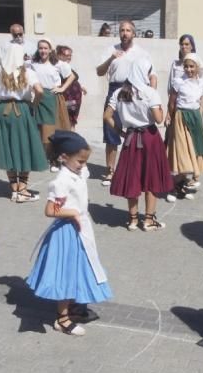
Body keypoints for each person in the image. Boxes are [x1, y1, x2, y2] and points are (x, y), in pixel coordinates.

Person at [26, 130, 112, 336]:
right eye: (79, 161)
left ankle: (73, 304)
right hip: (66, 231)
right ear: (64, 157)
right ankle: (62, 318)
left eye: (84, 161)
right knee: (66, 272)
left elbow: (83, 174)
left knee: (80, 267)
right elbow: (50, 210)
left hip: (80, 228)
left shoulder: (79, 172)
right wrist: (71, 212)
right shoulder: (61, 181)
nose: (83, 165)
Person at [0, 43, 47, 204]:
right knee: (25, 146)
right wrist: (34, 104)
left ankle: (14, 188)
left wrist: (0, 94)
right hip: (22, 110)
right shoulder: (28, 73)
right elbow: (40, 91)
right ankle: (22, 190)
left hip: (3, 111)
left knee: (7, 147)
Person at [105, 79, 173, 231]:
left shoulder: (119, 91)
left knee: (132, 177)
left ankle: (133, 220)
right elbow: (158, 119)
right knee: (152, 177)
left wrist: (120, 131)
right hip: (150, 136)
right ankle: (149, 220)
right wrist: (161, 109)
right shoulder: (149, 92)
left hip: (130, 138)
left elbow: (107, 116)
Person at [96, 20, 157, 186]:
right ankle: (110, 170)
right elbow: (99, 72)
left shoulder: (142, 53)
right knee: (110, 130)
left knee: (139, 131)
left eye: (128, 30)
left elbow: (153, 76)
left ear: (134, 33)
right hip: (116, 88)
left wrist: (151, 96)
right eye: (122, 30)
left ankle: (140, 169)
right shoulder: (111, 50)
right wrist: (111, 58)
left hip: (137, 91)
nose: (125, 33)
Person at [166, 52, 203, 202]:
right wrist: (169, 116)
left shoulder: (202, 83)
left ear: (197, 67)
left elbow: (202, 103)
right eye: (186, 66)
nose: (188, 69)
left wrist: (199, 118)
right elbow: (172, 102)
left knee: (194, 152)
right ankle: (172, 187)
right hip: (181, 118)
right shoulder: (178, 81)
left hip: (195, 118)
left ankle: (182, 185)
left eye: (191, 66)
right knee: (182, 154)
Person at [28, 37, 76, 171]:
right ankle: (42, 158)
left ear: (50, 50)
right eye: (41, 48)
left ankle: (55, 160)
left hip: (52, 98)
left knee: (54, 130)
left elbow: (71, 76)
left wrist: (62, 88)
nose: (43, 50)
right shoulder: (33, 63)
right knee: (40, 130)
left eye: (45, 48)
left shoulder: (57, 64)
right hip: (38, 97)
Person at [56, 45, 85, 128]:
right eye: (66, 55)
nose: (69, 57)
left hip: (74, 96)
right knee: (66, 118)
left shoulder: (66, 66)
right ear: (59, 55)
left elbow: (71, 79)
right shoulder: (58, 66)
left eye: (70, 55)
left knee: (72, 120)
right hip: (66, 96)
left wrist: (81, 86)